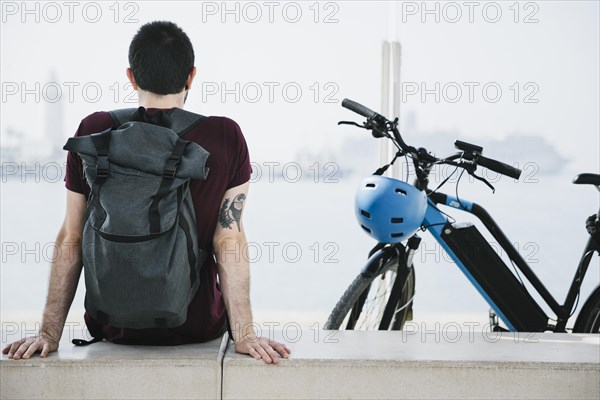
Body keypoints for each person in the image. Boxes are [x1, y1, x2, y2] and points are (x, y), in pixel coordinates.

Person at [2, 21, 290, 364]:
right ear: (191, 76)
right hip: (195, 326)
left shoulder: (94, 131)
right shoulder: (225, 136)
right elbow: (229, 240)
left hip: (113, 328)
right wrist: (245, 335)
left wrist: (48, 333)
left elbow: (72, 236)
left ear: (131, 77)